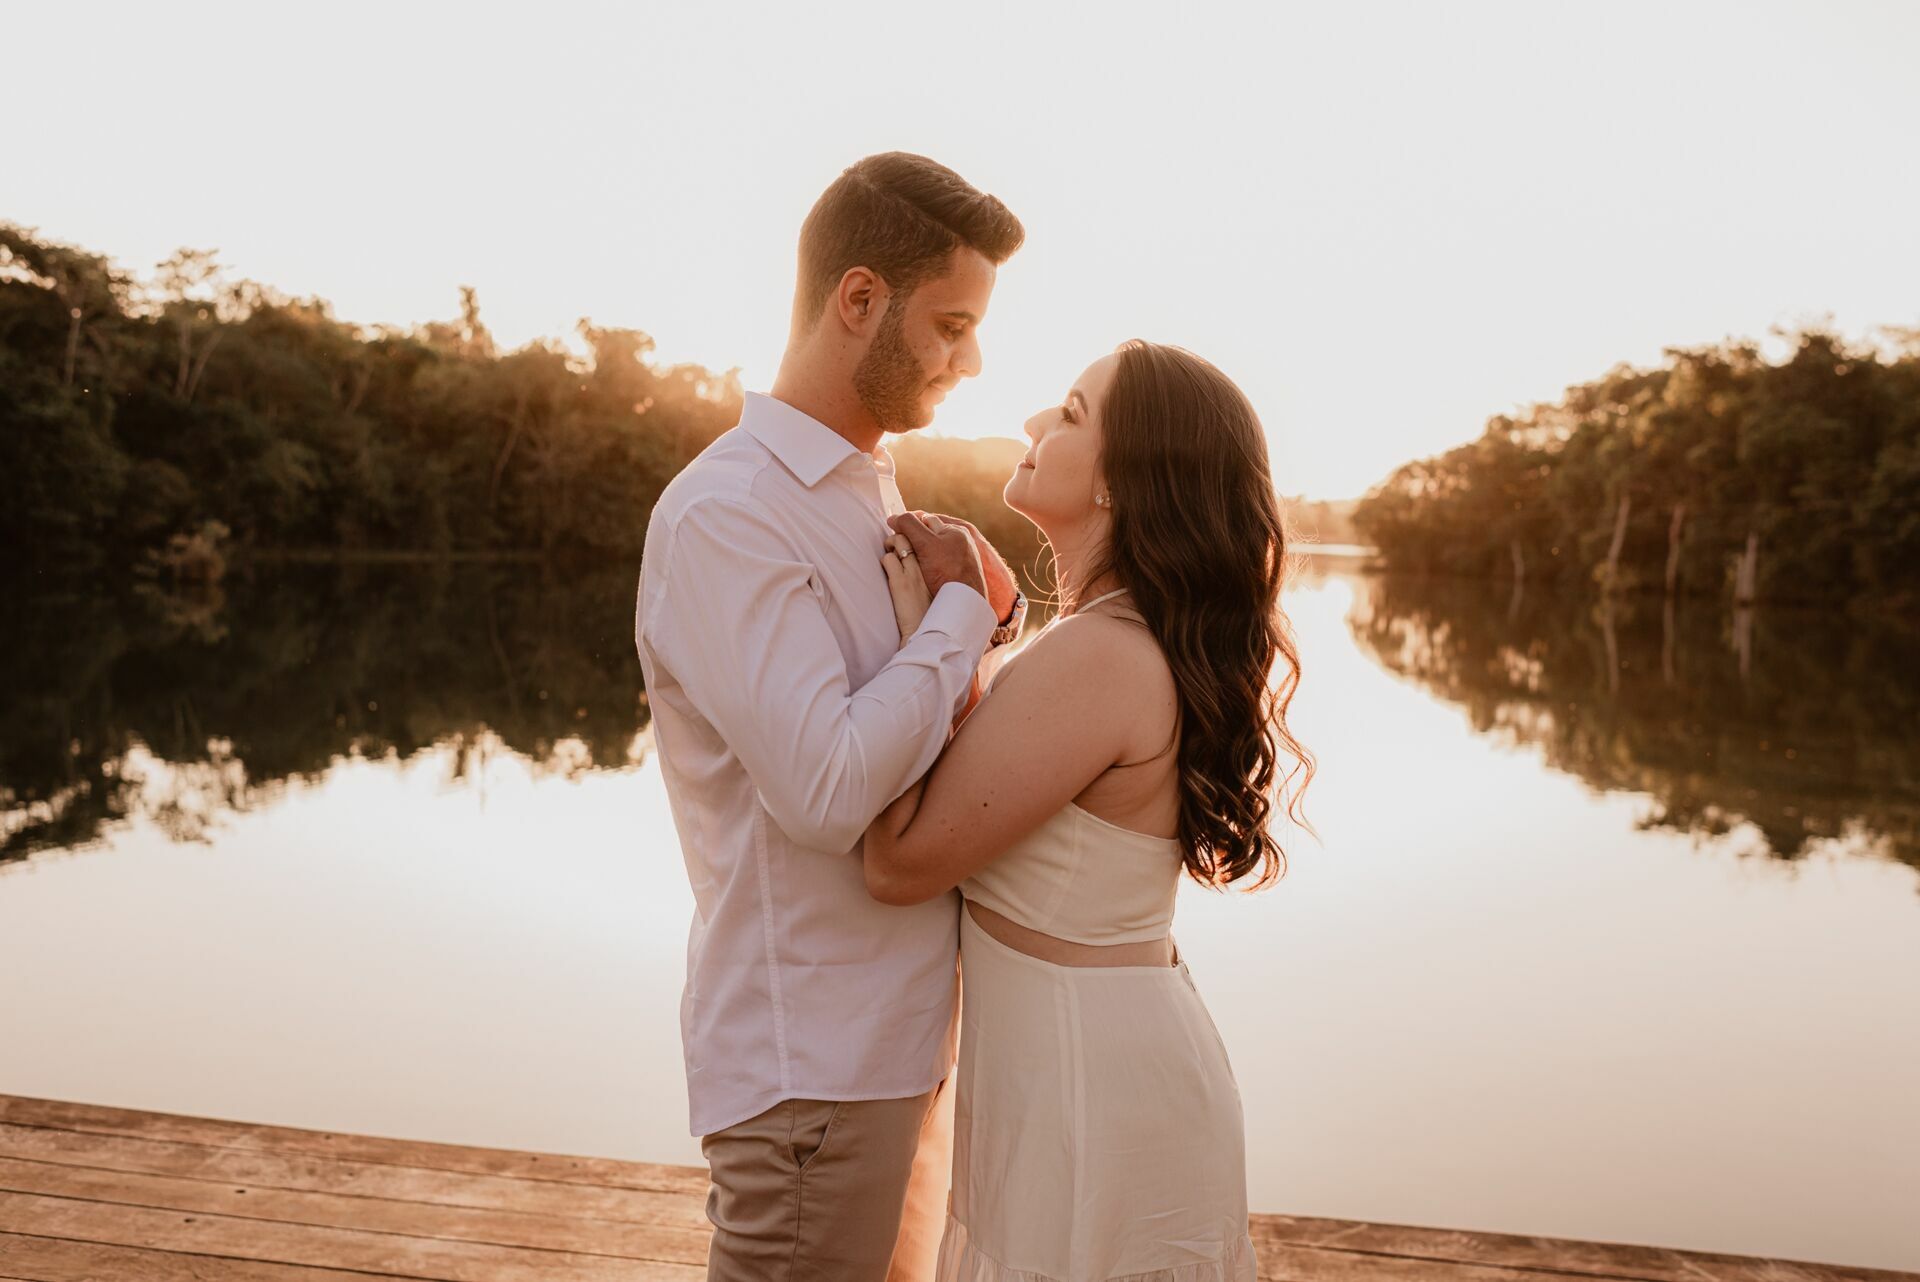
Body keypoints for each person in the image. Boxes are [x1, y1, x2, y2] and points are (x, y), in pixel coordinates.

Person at [633, 152, 1027, 1281]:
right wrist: (961, 612)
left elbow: (917, 740)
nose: (971, 359)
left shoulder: (867, 495)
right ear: (860, 299)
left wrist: (989, 624)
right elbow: (825, 790)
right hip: (815, 1066)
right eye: (951, 325)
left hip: (903, 1050)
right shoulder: (730, 513)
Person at [865, 341, 1312, 1281]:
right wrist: (980, 621)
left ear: (1122, 481)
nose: (1033, 422)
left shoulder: (1101, 655)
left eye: (1070, 412)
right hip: (1076, 1073)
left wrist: (926, 630)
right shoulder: (1106, 639)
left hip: (1088, 1094)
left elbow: (897, 861)